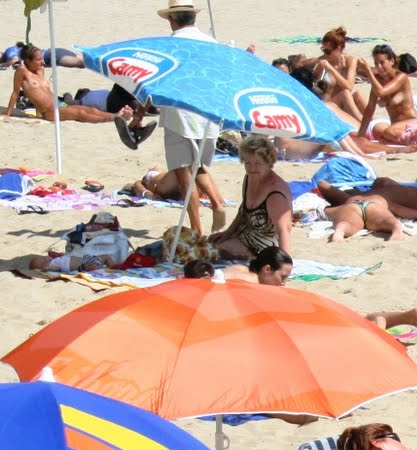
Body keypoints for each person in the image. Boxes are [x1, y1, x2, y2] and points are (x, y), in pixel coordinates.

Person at [113, 1, 227, 234]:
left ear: (171, 19)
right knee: (200, 166)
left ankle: (196, 227)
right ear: (193, 18)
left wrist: (141, 114)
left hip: (180, 115)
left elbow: (156, 85)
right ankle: (217, 203)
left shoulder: (170, 46)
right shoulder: (213, 44)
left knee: (184, 173)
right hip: (209, 113)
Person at [243, 246, 417, 338]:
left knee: (354, 332)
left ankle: (384, 322)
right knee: (354, 324)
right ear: (267, 270)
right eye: (283, 277)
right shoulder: (250, 281)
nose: (284, 284)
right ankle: (408, 316)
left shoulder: (253, 282)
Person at [208, 134, 292, 259]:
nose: (252, 169)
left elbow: (284, 230)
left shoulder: (275, 194)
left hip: (261, 250)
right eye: (248, 163)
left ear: (270, 163)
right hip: (241, 238)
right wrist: (228, 232)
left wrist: (284, 264)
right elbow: (243, 211)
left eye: (258, 163)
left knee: (199, 251)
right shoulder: (249, 179)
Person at [4, 45, 128, 123]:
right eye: (38, 60)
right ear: (27, 61)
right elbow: (15, 93)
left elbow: (42, 92)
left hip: (58, 104)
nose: (42, 62)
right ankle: (115, 118)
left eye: (42, 58)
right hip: (49, 111)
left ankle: (115, 115)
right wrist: (8, 114)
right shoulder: (22, 71)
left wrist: (36, 113)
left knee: (90, 109)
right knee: (81, 114)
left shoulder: (40, 70)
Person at [311, 27, 369, 123]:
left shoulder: (350, 60)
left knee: (358, 95)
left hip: (344, 104)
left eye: (327, 51)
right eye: (323, 50)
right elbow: (315, 87)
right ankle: (363, 124)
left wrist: (331, 69)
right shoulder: (322, 62)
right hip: (328, 105)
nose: (325, 53)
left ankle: (374, 121)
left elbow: (349, 86)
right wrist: (321, 70)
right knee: (345, 94)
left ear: (338, 48)